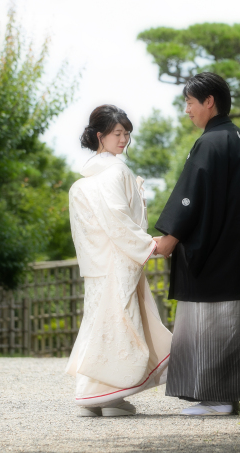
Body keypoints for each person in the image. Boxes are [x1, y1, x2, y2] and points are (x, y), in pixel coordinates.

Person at [154, 72, 240, 416]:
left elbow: (191, 197)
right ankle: (227, 396)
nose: (187, 110)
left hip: (213, 252)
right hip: (237, 248)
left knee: (210, 322)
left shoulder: (211, 142)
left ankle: (216, 398)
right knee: (232, 323)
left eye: (189, 102)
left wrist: (169, 240)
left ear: (209, 101)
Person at [66, 105, 172, 417]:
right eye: (117, 133)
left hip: (99, 263)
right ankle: (110, 397)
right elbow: (119, 219)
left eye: (126, 133)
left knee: (100, 323)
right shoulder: (113, 172)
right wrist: (149, 245)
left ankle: (91, 395)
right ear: (100, 136)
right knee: (121, 323)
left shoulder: (87, 178)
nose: (124, 139)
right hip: (118, 259)